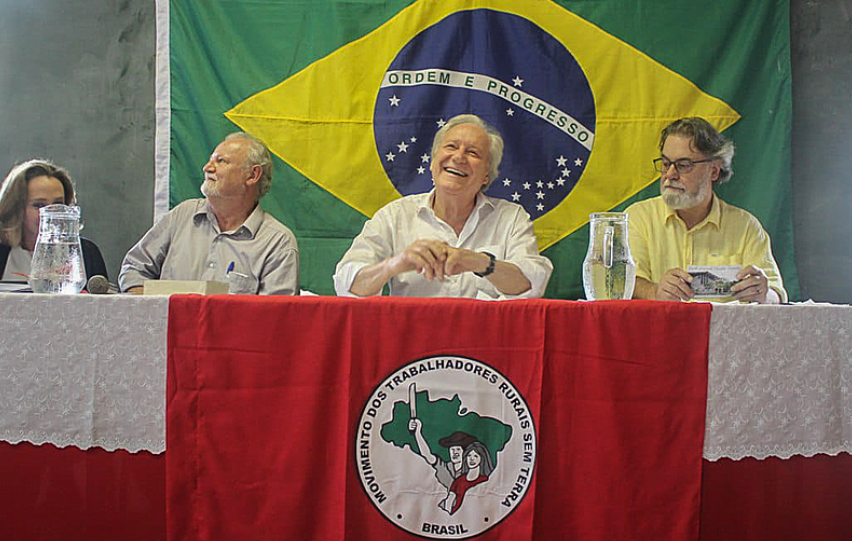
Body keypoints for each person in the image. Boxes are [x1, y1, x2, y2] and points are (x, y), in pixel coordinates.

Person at [334, 114, 553, 299]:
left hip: (486, 343)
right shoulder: (395, 216)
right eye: (451, 147)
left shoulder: (511, 218)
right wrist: (395, 264)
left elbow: (533, 284)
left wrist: (478, 262)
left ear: (486, 175)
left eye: (473, 153)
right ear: (432, 162)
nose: (458, 157)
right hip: (411, 343)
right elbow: (346, 285)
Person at [626, 117, 787, 303]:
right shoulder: (638, 218)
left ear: (714, 171)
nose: (670, 174)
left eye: (683, 165)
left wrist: (763, 294)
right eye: (665, 163)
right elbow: (623, 284)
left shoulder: (745, 226)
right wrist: (655, 292)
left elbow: (777, 294)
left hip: (725, 331)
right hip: (659, 331)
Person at [118, 132, 299, 295]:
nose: (207, 168)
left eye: (221, 161)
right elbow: (133, 270)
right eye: (211, 160)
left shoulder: (277, 242)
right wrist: (157, 310)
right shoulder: (182, 215)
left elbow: (276, 317)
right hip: (166, 330)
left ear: (252, 175)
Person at [0, 159, 108, 282]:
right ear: (15, 208)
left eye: (58, 204)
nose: (51, 214)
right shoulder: (3, 252)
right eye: (39, 205)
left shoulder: (87, 252)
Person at [408, 420, 477, 490]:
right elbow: (427, 455)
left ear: (464, 452)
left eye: (458, 449)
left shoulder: (472, 471)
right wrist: (417, 433)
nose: (455, 453)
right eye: (452, 450)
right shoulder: (445, 468)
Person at [446, 441, 494, 515]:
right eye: (469, 456)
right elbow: (449, 501)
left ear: (482, 458)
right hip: (456, 517)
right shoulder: (459, 480)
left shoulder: (485, 481)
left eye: (475, 456)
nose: (472, 459)